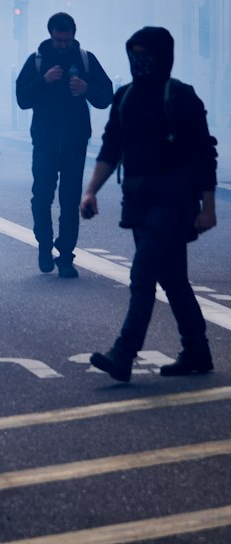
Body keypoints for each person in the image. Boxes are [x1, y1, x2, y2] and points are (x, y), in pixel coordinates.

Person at [81, 27, 217, 381]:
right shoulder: (124, 97)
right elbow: (111, 148)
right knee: (173, 279)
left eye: (147, 55)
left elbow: (204, 153)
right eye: (134, 54)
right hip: (138, 201)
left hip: (173, 201)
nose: (140, 63)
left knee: (143, 275)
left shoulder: (181, 97)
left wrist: (208, 206)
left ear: (163, 57)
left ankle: (124, 354)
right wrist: (91, 190)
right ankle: (197, 351)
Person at [15, 11, 113, 278]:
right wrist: (43, 81)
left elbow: (107, 95)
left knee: (70, 202)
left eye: (66, 40)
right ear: (50, 35)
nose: (62, 45)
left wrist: (87, 89)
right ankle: (44, 245)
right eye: (58, 40)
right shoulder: (36, 61)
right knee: (42, 198)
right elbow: (22, 98)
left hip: (75, 142)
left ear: (73, 36)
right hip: (45, 142)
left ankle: (66, 256)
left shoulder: (85, 60)